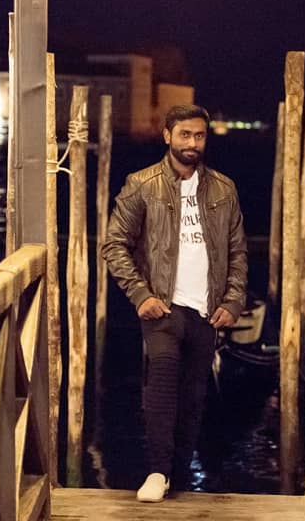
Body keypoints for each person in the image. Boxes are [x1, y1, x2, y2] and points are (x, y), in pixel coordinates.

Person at [102, 104, 247, 503]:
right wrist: (140, 294)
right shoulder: (142, 184)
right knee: (162, 386)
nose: (192, 143)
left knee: (193, 397)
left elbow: (237, 252)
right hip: (163, 307)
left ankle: (178, 475)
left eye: (199, 136)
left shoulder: (224, 189)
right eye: (184, 134)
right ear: (167, 136)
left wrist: (234, 301)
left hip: (206, 311)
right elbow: (114, 245)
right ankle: (157, 471)